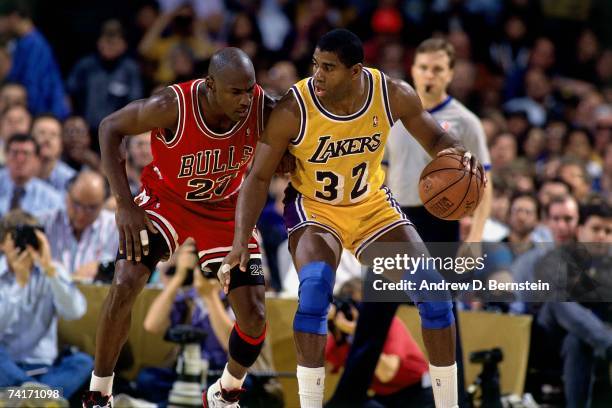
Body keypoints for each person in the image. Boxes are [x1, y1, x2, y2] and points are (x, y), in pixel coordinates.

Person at [223, 29, 485, 408]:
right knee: (314, 293)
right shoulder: (295, 107)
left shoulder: (391, 94)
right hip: (316, 209)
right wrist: (240, 243)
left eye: (328, 67)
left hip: (370, 207)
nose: (318, 74)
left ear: (356, 70)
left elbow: (436, 140)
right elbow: (258, 177)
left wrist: (460, 157)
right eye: (315, 64)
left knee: (435, 295)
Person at [82, 47, 274, 408]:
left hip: (225, 207)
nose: (246, 100)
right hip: (167, 201)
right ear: (211, 85)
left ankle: (225, 393)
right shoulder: (172, 105)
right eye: (236, 92)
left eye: (250, 90)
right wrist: (124, 204)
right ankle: (99, 392)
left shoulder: (263, 106)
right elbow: (110, 128)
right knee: (125, 281)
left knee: (254, 315)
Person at [0, 209, 92, 399]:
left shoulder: (52, 271)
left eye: (31, 238)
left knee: (83, 362)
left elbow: (75, 312)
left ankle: (26, 397)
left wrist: (50, 270)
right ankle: (41, 397)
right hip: (6, 365)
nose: (25, 245)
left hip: (43, 368)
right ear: (2, 243)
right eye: (18, 238)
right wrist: (19, 284)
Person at [39, 170, 118, 280]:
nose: (81, 214)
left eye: (91, 208)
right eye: (76, 204)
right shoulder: (45, 224)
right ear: (67, 196)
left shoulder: (116, 229)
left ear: (103, 204)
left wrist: (103, 269)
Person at [0, 0, 69, 119]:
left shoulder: (35, 45)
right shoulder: (19, 43)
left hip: (44, 115)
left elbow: (35, 88)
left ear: (13, 17)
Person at [0, 134, 63, 217]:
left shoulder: (51, 198)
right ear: (6, 156)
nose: (20, 159)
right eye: (15, 153)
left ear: (37, 159)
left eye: (26, 154)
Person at [31, 114, 76, 192]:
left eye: (53, 134)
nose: (47, 139)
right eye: (41, 133)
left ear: (61, 144)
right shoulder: (16, 175)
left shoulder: (72, 179)